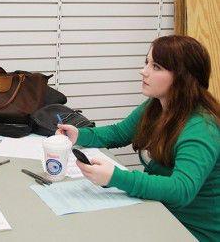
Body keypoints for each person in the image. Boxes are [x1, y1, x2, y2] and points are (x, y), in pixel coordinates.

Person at [57, 35, 219, 241]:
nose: (144, 71)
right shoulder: (156, 107)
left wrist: (115, 177)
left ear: (183, 77)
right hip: (160, 213)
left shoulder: (202, 127)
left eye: (156, 66)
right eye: (146, 63)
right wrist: (78, 134)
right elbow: (118, 133)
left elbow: (181, 189)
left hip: (192, 231)